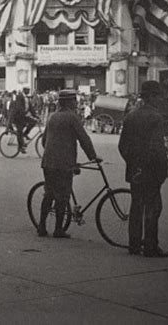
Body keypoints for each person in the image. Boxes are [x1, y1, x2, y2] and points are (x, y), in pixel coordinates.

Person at [118, 81, 168, 258]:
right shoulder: (156, 117)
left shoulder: (131, 116)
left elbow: (122, 146)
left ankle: (134, 245)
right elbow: (157, 148)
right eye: (157, 95)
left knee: (136, 207)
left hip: (135, 171)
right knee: (153, 209)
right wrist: (159, 170)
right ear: (151, 97)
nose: (160, 99)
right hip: (151, 172)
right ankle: (150, 246)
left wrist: (133, 163)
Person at [38, 89, 101, 238]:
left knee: (49, 194)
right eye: (74, 100)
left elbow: (43, 141)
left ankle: (41, 226)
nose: (76, 103)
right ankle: (58, 229)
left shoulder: (52, 117)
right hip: (63, 164)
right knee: (63, 196)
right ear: (68, 102)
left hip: (48, 162)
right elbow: (84, 139)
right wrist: (93, 157)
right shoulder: (72, 118)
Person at [11, 87, 38, 153]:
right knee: (19, 131)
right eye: (27, 90)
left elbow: (31, 108)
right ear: (24, 90)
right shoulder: (19, 96)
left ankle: (25, 134)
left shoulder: (27, 98)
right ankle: (20, 147)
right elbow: (19, 107)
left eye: (29, 90)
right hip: (18, 117)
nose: (28, 91)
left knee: (34, 122)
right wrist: (24, 113)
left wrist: (36, 116)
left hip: (24, 116)